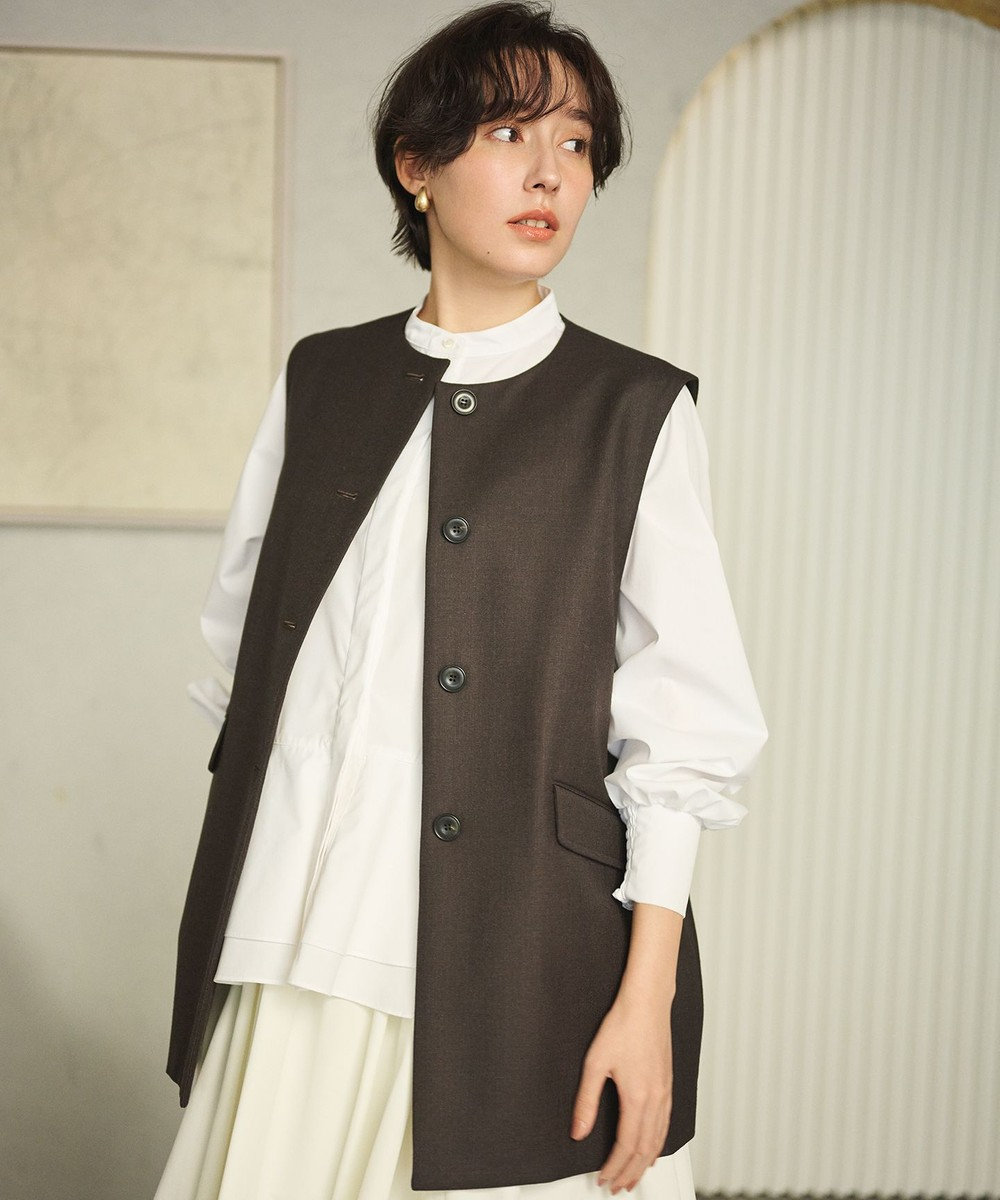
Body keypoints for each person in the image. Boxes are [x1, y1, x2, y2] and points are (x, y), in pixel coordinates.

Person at [153, 3, 769, 1198]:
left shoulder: (633, 410)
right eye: (506, 133)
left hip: (531, 957)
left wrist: (644, 998)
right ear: (416, 166)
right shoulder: (321, 380)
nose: (550, 173)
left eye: (576, 143)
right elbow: (247, 664)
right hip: (301, 938)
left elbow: (682, 730)